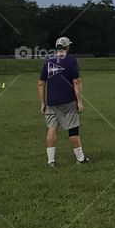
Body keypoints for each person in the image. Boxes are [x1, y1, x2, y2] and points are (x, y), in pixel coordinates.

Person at [38, 37, 90, 166]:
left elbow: (41, 84)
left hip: (51, 102)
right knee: (73, 129)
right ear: (67, 47)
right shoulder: (71, 61)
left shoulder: (48, 62)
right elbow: (76, 81)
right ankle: (80, 158)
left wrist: (43, 103)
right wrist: (79, 101)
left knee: (51, 128)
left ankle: (51, 161)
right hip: (68, 101)